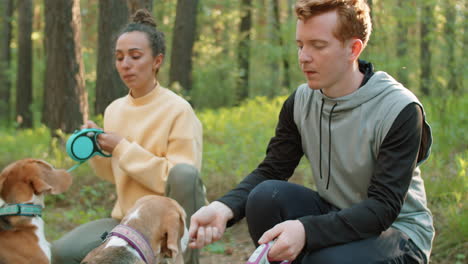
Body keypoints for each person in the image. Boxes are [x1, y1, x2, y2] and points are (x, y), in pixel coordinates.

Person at [189, 0, 434, 263]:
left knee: (323, 260)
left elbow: (382, 209)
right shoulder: (301, 101)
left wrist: (306, 230)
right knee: (265, 197)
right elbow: (272, 170)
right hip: (336, 213)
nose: (304, 56)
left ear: (353, 49)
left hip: (397, 235)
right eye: (300, 45)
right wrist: (223, 207)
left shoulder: (399, 109)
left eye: (318, 46)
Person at [52, 9, 206, 264]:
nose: (126, 64)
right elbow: (113, 174)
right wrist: (97, 147)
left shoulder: (178, 110)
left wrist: (122, 148)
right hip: (126, 220)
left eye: (135, 56)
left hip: (168, 218)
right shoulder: (114, 109)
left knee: (185, 174)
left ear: (157, 61)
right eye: (119, 57)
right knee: (60, 254)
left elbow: (180, 181)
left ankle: (184, 258)